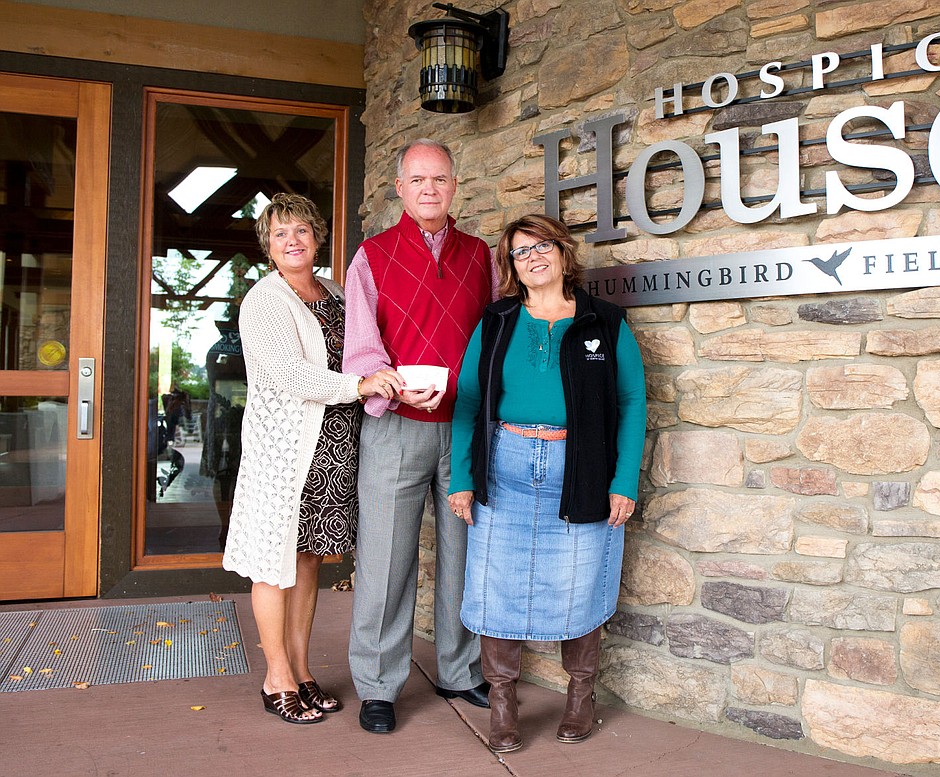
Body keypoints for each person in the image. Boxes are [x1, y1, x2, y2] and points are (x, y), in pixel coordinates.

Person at [448, 214, 647, 753]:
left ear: (562, 253)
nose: (532, 257)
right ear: (510, 265)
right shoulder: (496, 320)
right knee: (495, 586)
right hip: (504, 465)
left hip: (580, 467)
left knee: (583, 581)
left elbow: (631, 403)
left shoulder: (605, 323)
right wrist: (462, 477)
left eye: (542, 247)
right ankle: (504, 705)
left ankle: (580, 697)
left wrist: (623, 480)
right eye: (519, 252)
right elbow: (468, 401)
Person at [222, 193, 397, 725]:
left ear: (318, 237)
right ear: (267, 246)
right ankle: (275, 675)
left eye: (301, 230)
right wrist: (360, 383)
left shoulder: (337, 292)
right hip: (285, 452)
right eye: (279, 234)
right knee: (273, 564)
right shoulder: (265, 300)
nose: (292, 240)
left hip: (334, 449)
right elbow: (287, 374)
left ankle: (299, 668)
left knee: (306, 562)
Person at [343, 138, 494, 734]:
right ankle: (378, 686)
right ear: (400, 188)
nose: (429, 189)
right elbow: (360, 343)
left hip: (462, 427)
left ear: (454, 185)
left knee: (464, 557)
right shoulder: (372, 255)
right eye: (418, 180)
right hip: (395, 427)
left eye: (440, 179)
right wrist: (391, 385)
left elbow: (490, 336)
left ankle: (461, 670)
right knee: (384, 560)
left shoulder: (481, 255)